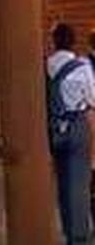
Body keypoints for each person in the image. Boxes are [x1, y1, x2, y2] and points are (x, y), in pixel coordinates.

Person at [47, 23, 95, 244]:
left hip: (54, 127)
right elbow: (92, 98)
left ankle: (67, 227)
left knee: (62, 181)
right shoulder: (81, 66)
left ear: (54, 42)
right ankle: (78, 236)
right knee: (78, 182)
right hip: (76, 125)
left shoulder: (46, 65)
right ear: (73, 41)